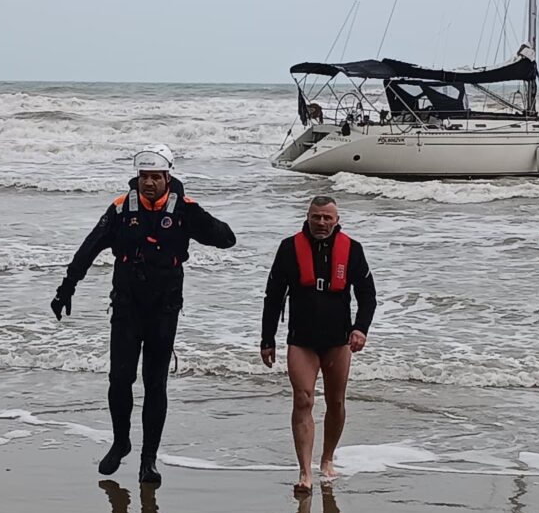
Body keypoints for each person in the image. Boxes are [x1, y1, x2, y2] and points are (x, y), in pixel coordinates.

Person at [51, 144, 236, 486]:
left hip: (164, 309)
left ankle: (148, 460)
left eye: (155, 177)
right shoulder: (122, 208)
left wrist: (201, 220)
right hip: (127, 306)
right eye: (143, 177)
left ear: (168, 177)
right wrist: (67, 287)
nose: (148, 183)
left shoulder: (184, 210)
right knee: (120, 380)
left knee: (155, 384)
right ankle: (120, 442)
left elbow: (227, 239)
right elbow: (89, 248)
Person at [260, 195, 376, 493]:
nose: (321, 222)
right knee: (303, 400)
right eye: (316, 217)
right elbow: (273, 297)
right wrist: (267, 339)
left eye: (327, 218)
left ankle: (327, 459)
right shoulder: (289, 248)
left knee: (336, 402)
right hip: (302, 340)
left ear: (337, 220)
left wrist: (360, 329)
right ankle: (305, 472)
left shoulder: (352, 249)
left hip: (338, 340)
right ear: (308, 217)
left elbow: (368, 296)